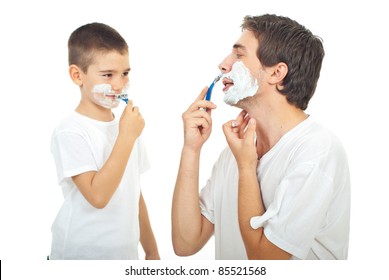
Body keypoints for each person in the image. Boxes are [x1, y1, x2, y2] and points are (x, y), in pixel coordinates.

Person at [172, 14, 350, 260]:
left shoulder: (317, 150)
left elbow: (266, 262)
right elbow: (185, 243)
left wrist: (247, 168)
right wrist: (191, 149)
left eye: (239, 54)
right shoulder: (235, 153)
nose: (223, 64)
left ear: (277, 73)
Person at [50, 23, 159, 260]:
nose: (119, 84)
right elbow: (98, 196)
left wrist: (152, 251)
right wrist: (127, 137)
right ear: (77, 75)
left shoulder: (126, 127)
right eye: (108, 75)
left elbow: (134, 194)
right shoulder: (70, 130)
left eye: (125, 73)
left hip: (124, 256)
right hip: (79, 257)